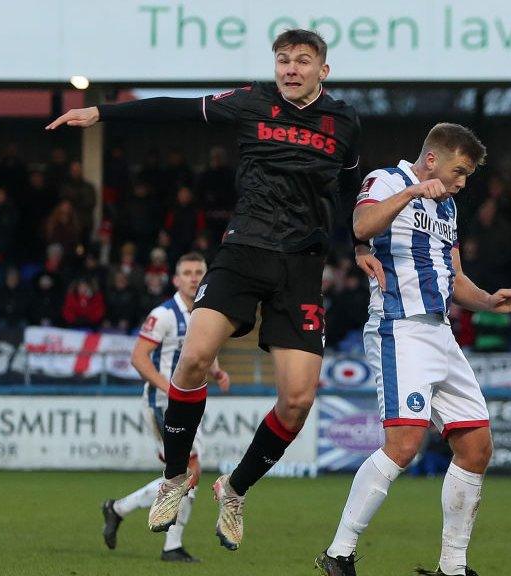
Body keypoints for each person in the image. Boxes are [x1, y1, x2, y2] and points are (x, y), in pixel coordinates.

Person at [47, 28, 361, 541]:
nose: (290, 68)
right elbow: (172, 107)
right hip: (243, 251)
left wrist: (362, 245)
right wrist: (103, 112)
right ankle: (174, 476)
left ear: (322, 71)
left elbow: (351, 188)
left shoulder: (344, 121)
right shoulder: (251, 100)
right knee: (193, 358)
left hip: (302, 265)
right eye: (283, 59)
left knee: (298, 401)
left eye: (303, 61)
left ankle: (234, 490)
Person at [315, 124, 511, 576]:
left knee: (476, 446)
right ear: (432, 159)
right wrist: (414, 192)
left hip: (440, 332)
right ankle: (339, 553)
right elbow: (361, 225)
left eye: (468, 175)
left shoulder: (449, 207)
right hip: (400, 327)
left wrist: (490, 300)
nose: (462, 182)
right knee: (404, 444)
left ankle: (452, 566)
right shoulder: (388, 181)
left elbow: (454, 279)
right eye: (459, 171)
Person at [100, 253, 229, 563]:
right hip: (163, 403)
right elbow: (139, 357)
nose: (194, 277)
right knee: (188, 471)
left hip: (186, 402)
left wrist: (216, 371)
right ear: (176, 279)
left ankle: (119, 510)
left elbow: (202, 349)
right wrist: (168, 387)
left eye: (199, 271)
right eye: (187, 272)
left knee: (185, 473)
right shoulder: (164, 314)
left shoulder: (204, 312)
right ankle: (168, 544)